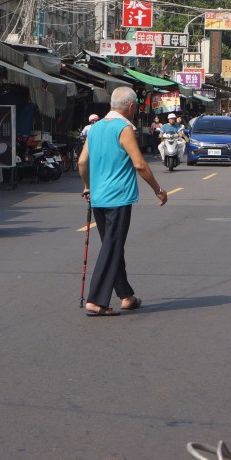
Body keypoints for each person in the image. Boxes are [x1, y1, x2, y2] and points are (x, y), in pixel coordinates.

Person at [79, 87, 168, 316]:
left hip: (98, 198)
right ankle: (96, 300)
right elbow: (140, 164)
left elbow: (81, 162)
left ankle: (126, 295)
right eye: (136, 108)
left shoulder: (95, 128)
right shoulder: (124, 128)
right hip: (118, 197)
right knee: (112, 246)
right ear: (130, 107)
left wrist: (88, 186)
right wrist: (158, 189)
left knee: (112, 245)